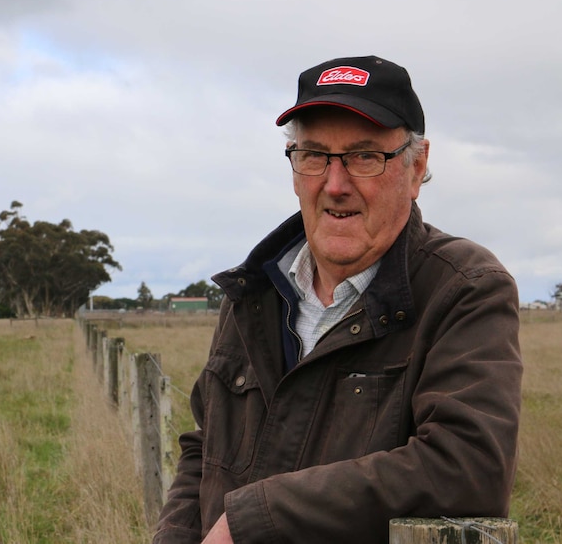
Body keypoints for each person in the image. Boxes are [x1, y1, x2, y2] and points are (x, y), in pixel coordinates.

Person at [152, 56, 522, 544]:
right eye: (314, 155)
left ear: (417, 167)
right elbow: (205, 450)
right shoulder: (257, 293)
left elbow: (468, 467)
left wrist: (256, 519)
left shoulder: (464, 289)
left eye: (364, 156)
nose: (335, 184)